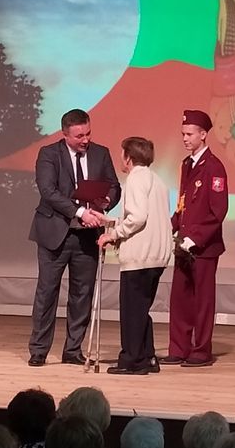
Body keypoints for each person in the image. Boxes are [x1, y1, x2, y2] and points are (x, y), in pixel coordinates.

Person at [28, 109, 121, 367]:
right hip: (55, 232)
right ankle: (38, 350)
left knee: (82, 294)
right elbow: (48, 191)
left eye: (88, 133)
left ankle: (73, 349)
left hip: (87, 236)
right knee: (47, 292)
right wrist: (80, 212)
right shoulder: (49, 154)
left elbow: (114, 186)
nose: (85, 140)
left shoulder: (100, 153)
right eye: (79, 136)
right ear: (65, 134)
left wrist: (105, 202)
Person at [98, 137, 172, 375]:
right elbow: (146, 216)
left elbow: (138, 217)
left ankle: (132, 360)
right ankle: (147, 356)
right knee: (141, 309)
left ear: (128, 157)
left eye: (122, 154)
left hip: (140, 255)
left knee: (132, 310)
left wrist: (113, 234)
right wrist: (112, 222)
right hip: (156, 254)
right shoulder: (157, 180)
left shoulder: (136, 178)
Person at [162, 109, 228, 368]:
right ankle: (179, 348)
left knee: (202, 301)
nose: (185, 138)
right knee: (180, 299)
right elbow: (183, 204)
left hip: (204, 247)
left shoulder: (214, 167)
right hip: (184, 244)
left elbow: (218, 211)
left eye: (189, 134)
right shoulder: (186, 164)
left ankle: (201, 350)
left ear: (203, 134)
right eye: (183, 134)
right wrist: (168, 227)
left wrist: (196, 238)